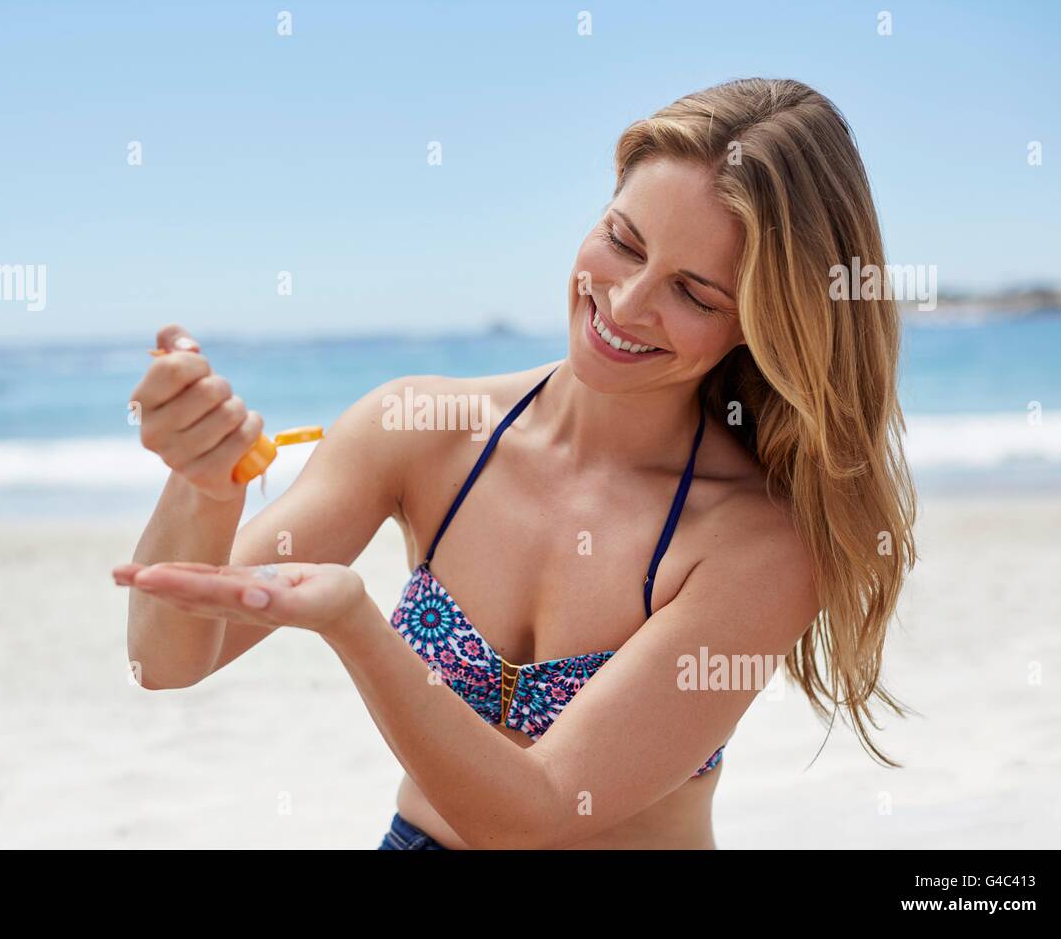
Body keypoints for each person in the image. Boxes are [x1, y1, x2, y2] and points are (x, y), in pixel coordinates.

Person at [113, 77, 917, 850]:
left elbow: (534, 813)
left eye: (694, 294)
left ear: (760, 323)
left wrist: (355, 627)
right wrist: (204, 483)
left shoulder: (755, 541)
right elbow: (165, 659)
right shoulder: (422, 429)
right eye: (622, 241)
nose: (627, 304)